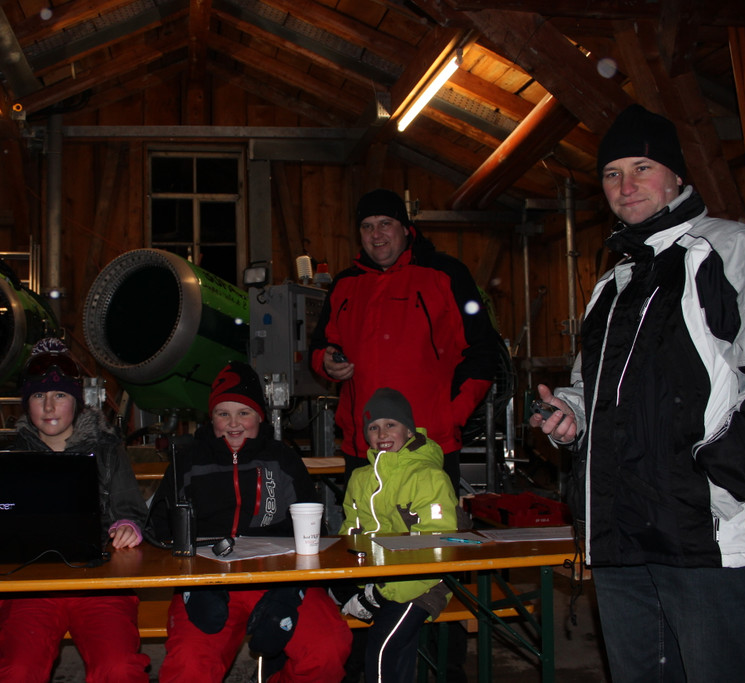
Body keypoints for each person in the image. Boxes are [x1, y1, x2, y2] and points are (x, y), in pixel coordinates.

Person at [530, 103, 745, 682]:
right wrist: (571, 413)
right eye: (612, 173)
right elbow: (592, 389)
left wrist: (718, 480)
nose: (626, 185)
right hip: (620, 536)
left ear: (675, 175)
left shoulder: (730, 252)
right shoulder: (612, 283)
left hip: (705, 539)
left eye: (642, 167)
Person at [149, 360, 352, 682]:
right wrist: (191, 584)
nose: (234, 424)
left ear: (260, 416)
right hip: (207, 582)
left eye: (244, 412)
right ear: (211, 417)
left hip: (279, 577)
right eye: (223, 413)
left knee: (327, 650)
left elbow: (314, 530)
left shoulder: (282, 459)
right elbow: (159, 530)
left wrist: (292, 591)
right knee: (188, 666)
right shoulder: (187, 461)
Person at [310, 188, 501, 492]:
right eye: (367, 226)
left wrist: (451, 416)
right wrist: (327, 362)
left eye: (385, 223)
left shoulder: (446, 274)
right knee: (365, 523)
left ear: (406, 228)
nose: (376, 234)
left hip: (427, 446)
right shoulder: (345, 285)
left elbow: (483, 351)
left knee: (430, 523)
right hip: (364, 448)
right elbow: (320, 347)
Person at [0, 338, 150, 682]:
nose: (48, 407)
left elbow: (131, 509)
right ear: (26, 404)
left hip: (99, 583)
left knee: (118, 668)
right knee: (17, 670)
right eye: (38, 396)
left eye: (59, 395)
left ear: (75, 401)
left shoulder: (107, 451)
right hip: (32, 585)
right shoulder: (12, 459)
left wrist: (127, 526)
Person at [333, 388, 458, 683]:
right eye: (373, 427)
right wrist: (347, 586)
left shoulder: (428, 477)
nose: (382, 434)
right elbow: (350, 534)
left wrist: (379, 593)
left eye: (391, 424)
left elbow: (435, 546)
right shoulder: (361, 478)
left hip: (425, 583)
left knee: (382, 649)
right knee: (319, 619)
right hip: (376, 579)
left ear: (409, 430)